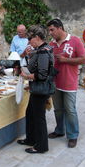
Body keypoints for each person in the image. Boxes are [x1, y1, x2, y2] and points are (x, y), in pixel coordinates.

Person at [47, 18, 85, 148]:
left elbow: (83, 59)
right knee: (58, 109)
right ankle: (59, 130)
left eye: (52, 30)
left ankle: (73, 135)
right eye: (49, 31)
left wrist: (65, 60)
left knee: (70, 110)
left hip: (69, 82)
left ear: (60, 28)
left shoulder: (75, 41)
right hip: (55, 82)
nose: (51, 33)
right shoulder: (51, 44)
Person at [17, 25, 54, 154]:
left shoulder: (44, 51)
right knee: (30, 114)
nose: (28, 41)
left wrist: (27, 76)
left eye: (30, 38)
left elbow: (42, 75)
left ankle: (41, 146)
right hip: (36, 88)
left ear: (37, 37)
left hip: (41, 89)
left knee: (39, 118)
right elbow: (33, 66)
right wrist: (28, 56)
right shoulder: (40, 49)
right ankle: (31, 139)